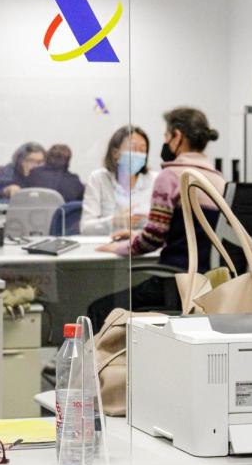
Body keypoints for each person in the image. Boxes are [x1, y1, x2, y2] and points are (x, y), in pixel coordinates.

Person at [88, 108, 225, 329]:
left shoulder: (171, 175)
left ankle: (107, 364)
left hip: (174, 281)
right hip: (205, 286)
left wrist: (119, 248)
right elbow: (191, 232)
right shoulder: (218, 179)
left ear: (177, 136)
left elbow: (153, 239)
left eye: (166, 136)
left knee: (99, 310)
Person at [80, 126, 160, 235]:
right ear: (115, 153)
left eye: (142, 150)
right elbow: (85, 228)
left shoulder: (156, 180)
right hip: (106, 245)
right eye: (132, 148)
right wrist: (115, 221)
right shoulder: (98, 179)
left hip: (143, 247)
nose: (138, 154)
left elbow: (164, 227)